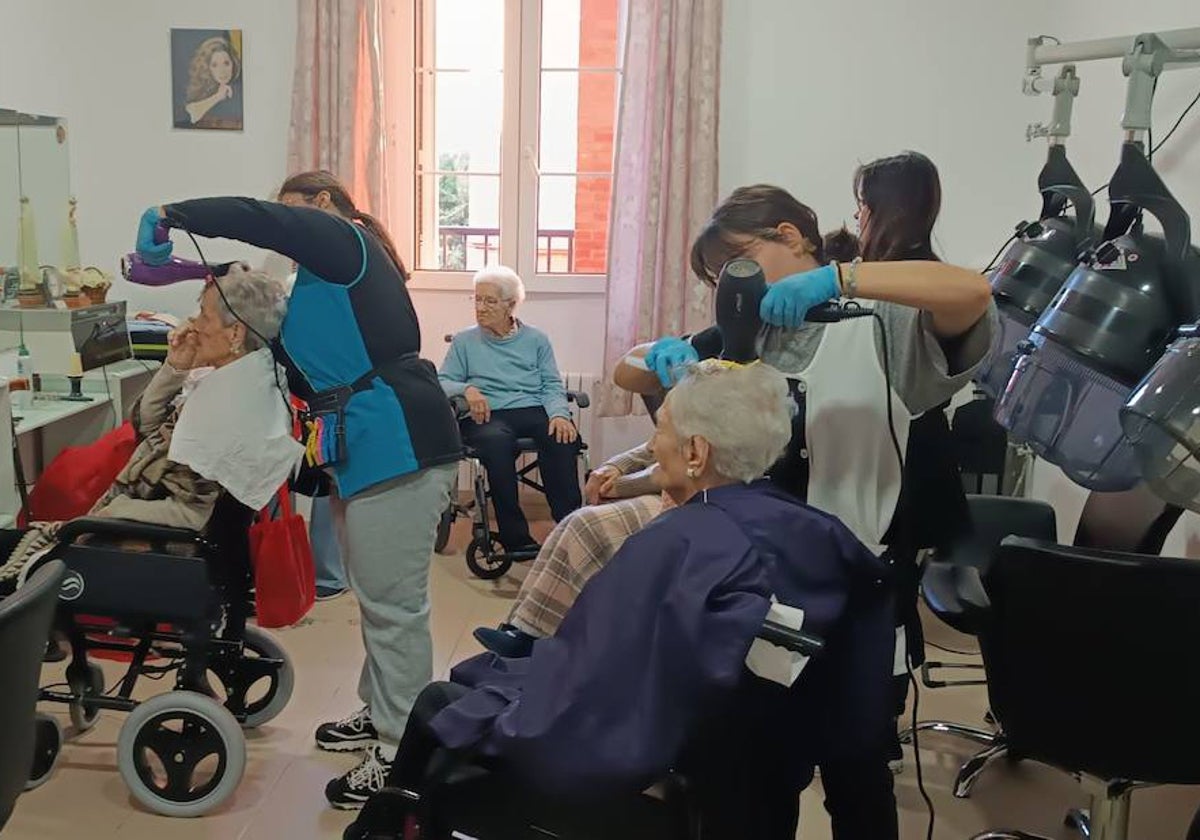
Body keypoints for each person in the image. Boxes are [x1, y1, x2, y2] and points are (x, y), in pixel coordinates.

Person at [345, 361, 895, 840]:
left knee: (446, 697)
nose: (654, 446)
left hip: (642, 755)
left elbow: (586, 685)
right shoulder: (825, 535)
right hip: (759, 770)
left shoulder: (671, 543)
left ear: (697, 451)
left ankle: (392, 822)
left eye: (661, 431)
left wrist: (509, 692)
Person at [613, 183, 995, 838]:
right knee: (750, 787)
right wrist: (657, 354)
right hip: (746, 603)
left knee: (857, 785)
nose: (733, 288)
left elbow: (972, 295)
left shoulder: (882, 332)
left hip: (852, 608)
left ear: (791, 237)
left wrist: (841, 278)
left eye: (738, 265)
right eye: (717, 279)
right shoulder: (739, 340)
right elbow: (629, 374)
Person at [133, 170, 463, 809]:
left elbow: (266, 222)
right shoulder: (321, 283)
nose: (288, 227)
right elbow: (259, 302)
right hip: (368, 442)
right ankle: (380, 713)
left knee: (394, 606)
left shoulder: (346, 242)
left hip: (398, 438)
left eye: (296, 213)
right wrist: (180, 274)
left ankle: (399, 754)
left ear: (324, 207)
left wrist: (172, 207)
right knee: (378, 596)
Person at [0, 266, 294, 596]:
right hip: (142, 518)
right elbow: (145, 425)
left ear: (236, 333)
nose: (194, 324)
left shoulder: (230, 408)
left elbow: (191, 513)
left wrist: (109, 513)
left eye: (204, 316)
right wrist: (176, 367)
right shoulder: (234, 386)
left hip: (161, 538)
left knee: (13, 550)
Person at [853, 150, 974, 768]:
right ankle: (873, 716)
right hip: (893, 450)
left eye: (864, 204)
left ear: (884, 209)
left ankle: (880, 726)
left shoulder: (915, 282)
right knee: (888, 592)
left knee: (890, 596)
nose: (858, 215)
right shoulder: (882, 275)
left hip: (911, 459)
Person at [473, 439, 665, 657]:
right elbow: (656, 443)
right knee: (573, 524)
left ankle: (536, 636)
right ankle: (524, 628)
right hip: (662, 487)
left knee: (587, 525)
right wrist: (613, 467)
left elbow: (674, 470)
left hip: (685, 498)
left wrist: (618, 486)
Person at [439, 266, 582, 553]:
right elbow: (442, 381)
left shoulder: (536, 340)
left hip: (530, 409)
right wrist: (467, 390)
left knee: (562, 437)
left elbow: (551, 384)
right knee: (496, 442)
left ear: (511, 305)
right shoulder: (464, 342)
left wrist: (559, 414)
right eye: (477, 299)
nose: (480, 308)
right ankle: (514, 537)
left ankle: (571, 530)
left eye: (490, 301)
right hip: (485, 415)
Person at [182, 35, 243, 128]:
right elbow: (189, 116)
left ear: (233, 63)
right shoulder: (203, 92)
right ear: (207, 68)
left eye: (226, 63)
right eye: (214, 65)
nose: (222, 71)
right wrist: (218, 97)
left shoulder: (241, 92)